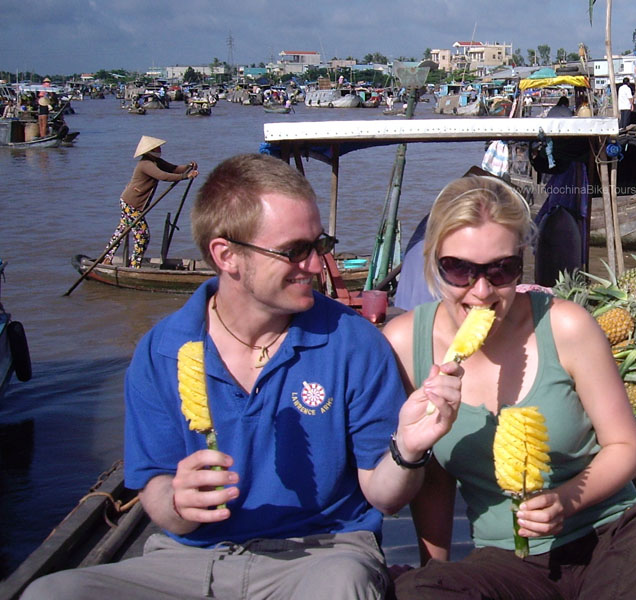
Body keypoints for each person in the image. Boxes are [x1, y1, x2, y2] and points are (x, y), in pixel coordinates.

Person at [22, 153, 463, 600]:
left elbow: (385, 498)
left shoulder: (354, 343)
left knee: (343, 585)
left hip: (321, 554)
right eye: (294, 251)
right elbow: (154, 481)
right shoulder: (162, 350)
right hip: (188, 560)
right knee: (52, 592)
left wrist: (407, 450)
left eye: (320, 244)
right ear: (226, 255)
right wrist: (178, 501)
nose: (315, 265)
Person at [384, 175, 636, 599]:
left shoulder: (565, 325)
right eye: (459, 269)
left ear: (523, 261)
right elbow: (434, 480)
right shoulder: (406, 343)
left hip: (607, 537)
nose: (481, 292)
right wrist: (437, 573)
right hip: (510, 562)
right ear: (432, 261)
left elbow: (626, 447)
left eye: (501, 269)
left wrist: (566, 500)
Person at [103, 136, 198, 268]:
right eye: (157, 148)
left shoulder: (156, 161)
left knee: (122, 231)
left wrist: (188, 166)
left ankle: (107, 257)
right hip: (131, 204)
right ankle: (134, 266)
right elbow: (163, 176)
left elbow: (173, 169)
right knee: (143, 236)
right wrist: (185, 176)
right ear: (150, 150)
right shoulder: (146, 164)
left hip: (132, 203)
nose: (160, 149)